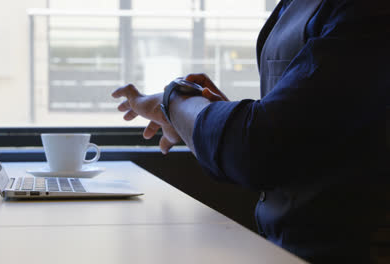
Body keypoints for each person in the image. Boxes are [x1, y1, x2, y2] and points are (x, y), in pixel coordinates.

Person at [112, 0, 389, 263]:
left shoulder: (368, 10)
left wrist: (174, 100)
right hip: (286, 248)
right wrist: (205, 117)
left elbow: (259, 147)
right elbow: (299, 131)